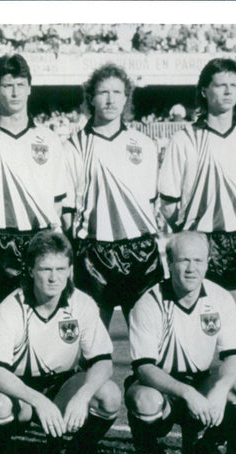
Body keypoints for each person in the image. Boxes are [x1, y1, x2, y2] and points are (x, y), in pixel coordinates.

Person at [0, 231, 120, 454]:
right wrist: (38, 400)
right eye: (45, 269)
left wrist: (82, 395)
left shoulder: (82, 304)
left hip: (61, 386)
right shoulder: (12, 307)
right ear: (30, 270)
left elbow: (104, 362)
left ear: (70, 270)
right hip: (20, 389)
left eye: (60, 268)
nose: (54, 277)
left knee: (109, 395)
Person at [158, 58, 236, 374]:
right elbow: (168, 200)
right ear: (204, 91)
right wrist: (188, 239)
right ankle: (194, 419)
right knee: (197, 341)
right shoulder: (184, 139)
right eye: (220, 85)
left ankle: (231, 421)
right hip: (199, 246)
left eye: (233, 85)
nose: (228, 91)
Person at [125, 232, 236, 454]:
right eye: (184, 260)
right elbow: (144, 368)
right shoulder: (148, 302)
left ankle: (205, 446)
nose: (191, 268)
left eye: (198, 261)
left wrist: (220, 389)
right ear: (170, 263)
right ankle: (145, 450)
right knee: (146, 403)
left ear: (208, 262)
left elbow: (233, 355)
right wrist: (187, 393)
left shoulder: (220, 298)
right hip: (159, 385)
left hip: (200, 381)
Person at [0, 54, 69, 369]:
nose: (14, 92)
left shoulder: (47, 139)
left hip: (38, 246)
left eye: (20, 85)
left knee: (39, 334)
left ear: (30, 89)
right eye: (7, 85)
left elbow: (57, 201)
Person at [63, 63, 163, 330]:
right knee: (90, 342)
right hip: (95, 253)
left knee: (149, 341)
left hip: (140, 252)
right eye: (103, 92)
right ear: (91, 98)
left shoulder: (144, 144)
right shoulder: (73, 147)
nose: (110, 99)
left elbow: (150, 201)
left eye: (117, 92)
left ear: (126, 97)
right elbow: (67, 211)